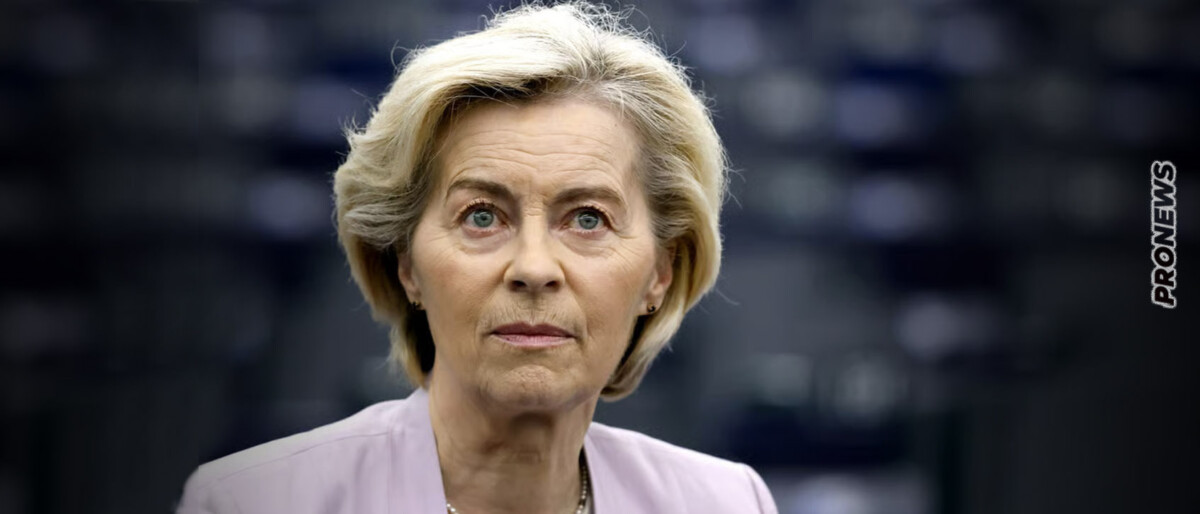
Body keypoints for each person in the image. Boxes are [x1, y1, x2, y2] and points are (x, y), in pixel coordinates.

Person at [177, 2, 777, 513]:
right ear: (405, 263)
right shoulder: (249, 502)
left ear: (661, 272)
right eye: (482, 216)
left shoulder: (726, 502)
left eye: (588, 218)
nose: (534, 268)